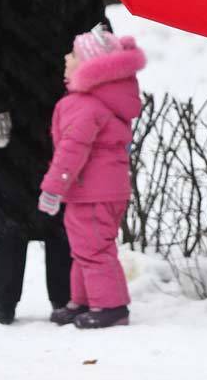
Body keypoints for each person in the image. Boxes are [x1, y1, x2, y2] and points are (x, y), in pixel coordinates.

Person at [0, 0, 106, 324]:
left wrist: (98, 90)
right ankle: (4, 304)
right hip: (9, 108)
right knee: (8, 210)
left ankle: (65, 299)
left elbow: (95, 33)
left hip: (68, 107)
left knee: (66, 203)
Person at [38, 27, 144, 329]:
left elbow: (71, 152)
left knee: (94, 249)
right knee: (83, 248)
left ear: (89, 66)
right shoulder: (99, 102)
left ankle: (110, 306)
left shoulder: (84, 106)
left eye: (72, 54)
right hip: (96, 192)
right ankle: (83, 301)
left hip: (93, 193)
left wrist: (52, 189)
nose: (65, 57)